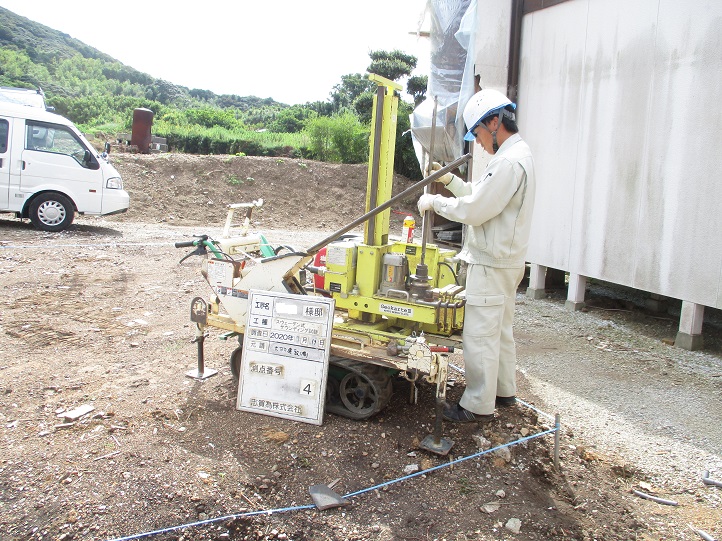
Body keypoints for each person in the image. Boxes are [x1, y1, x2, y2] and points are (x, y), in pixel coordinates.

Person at [417, 89, 536, 422]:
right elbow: (480, 194)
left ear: (495, 122)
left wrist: (435, 202)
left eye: (480, 134)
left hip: (492, 262)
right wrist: (450, 180)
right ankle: (504, 392)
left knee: (480, 335)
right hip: (506, 261)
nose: (480, 143)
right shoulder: (516, 157)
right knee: (500, 331)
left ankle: (476, 406)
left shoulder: (509, 162)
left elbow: (476, 208)